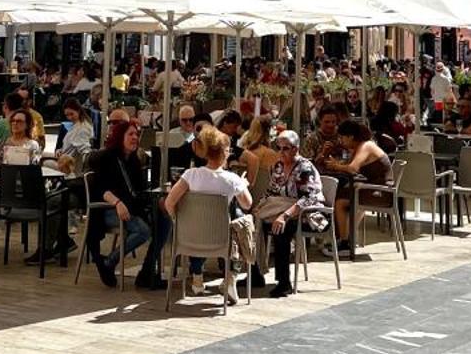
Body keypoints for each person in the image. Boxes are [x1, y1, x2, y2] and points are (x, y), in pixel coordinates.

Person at [164, 125, 254, 302]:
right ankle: (231, 277)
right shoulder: (232, 179)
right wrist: (243, 184)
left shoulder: (191, 175)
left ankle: (199, 276)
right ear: (225, 152)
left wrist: (178, 221)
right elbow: (247, 204)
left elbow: (169, 202)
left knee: (202, 225)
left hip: (189, 237)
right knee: (244, 223)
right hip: (221, 238)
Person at [86, 119, 167, 289]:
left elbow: (139, 191)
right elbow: (99, 188)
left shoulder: (133, 160)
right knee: (143, 230)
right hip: (107, 210)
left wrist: (157, 200)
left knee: (164, 221)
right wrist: (117, 203)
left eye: (136, 134)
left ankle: (147, 272)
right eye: (130, 134)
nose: (135, 138)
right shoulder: (107, 157)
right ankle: (109, 262)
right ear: (119, 137)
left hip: (130, 208)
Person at [258, 130, 328, 298]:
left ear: (296, 149)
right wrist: (259, 206)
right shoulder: (279, 166)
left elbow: (309, 198)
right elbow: (271, 191)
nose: (281, 152)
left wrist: (284, 215)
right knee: (255, 222)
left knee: (281, 228)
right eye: (278, 148)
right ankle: (256, 274)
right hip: (283, 208)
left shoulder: (305, 168)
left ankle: (284, 283)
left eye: (285, 149)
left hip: (307, 213)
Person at [316, 115, 392, 251]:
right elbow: (348, 166)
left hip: (381, 192)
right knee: (342, 195)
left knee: (340, 202)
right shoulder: (360, 147)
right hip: (374, 188)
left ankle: (344, 242)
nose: (341, 141)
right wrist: (331, 159)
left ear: (350, 137)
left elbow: (352, 168)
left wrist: (336, 166)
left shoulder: (366, 146)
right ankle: (344, 237)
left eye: (342, 137)